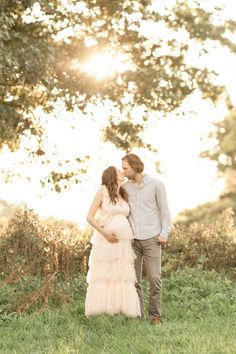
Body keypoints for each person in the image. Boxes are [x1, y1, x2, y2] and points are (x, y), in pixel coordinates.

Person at [122, 153, 171, 324]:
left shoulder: (156, 185)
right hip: (133, 241)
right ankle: (139, 315)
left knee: (154, 278)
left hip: (152, 239)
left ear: (135, 166)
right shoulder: (125, 188)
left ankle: (155, 315)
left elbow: (165, 211)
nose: (124, 171)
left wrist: (164, 233)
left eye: (125, 168)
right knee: (134, 281)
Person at [85, 166, 141, 317]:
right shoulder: (102, 192)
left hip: (123, 242)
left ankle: (119, 309)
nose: (122, 172)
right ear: (111, 175)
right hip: (106, 239)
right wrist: (105, 233)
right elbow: (89, 217)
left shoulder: (122, 193)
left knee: (120, 275)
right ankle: (103, 310)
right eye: (119, 171)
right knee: (106, 274)